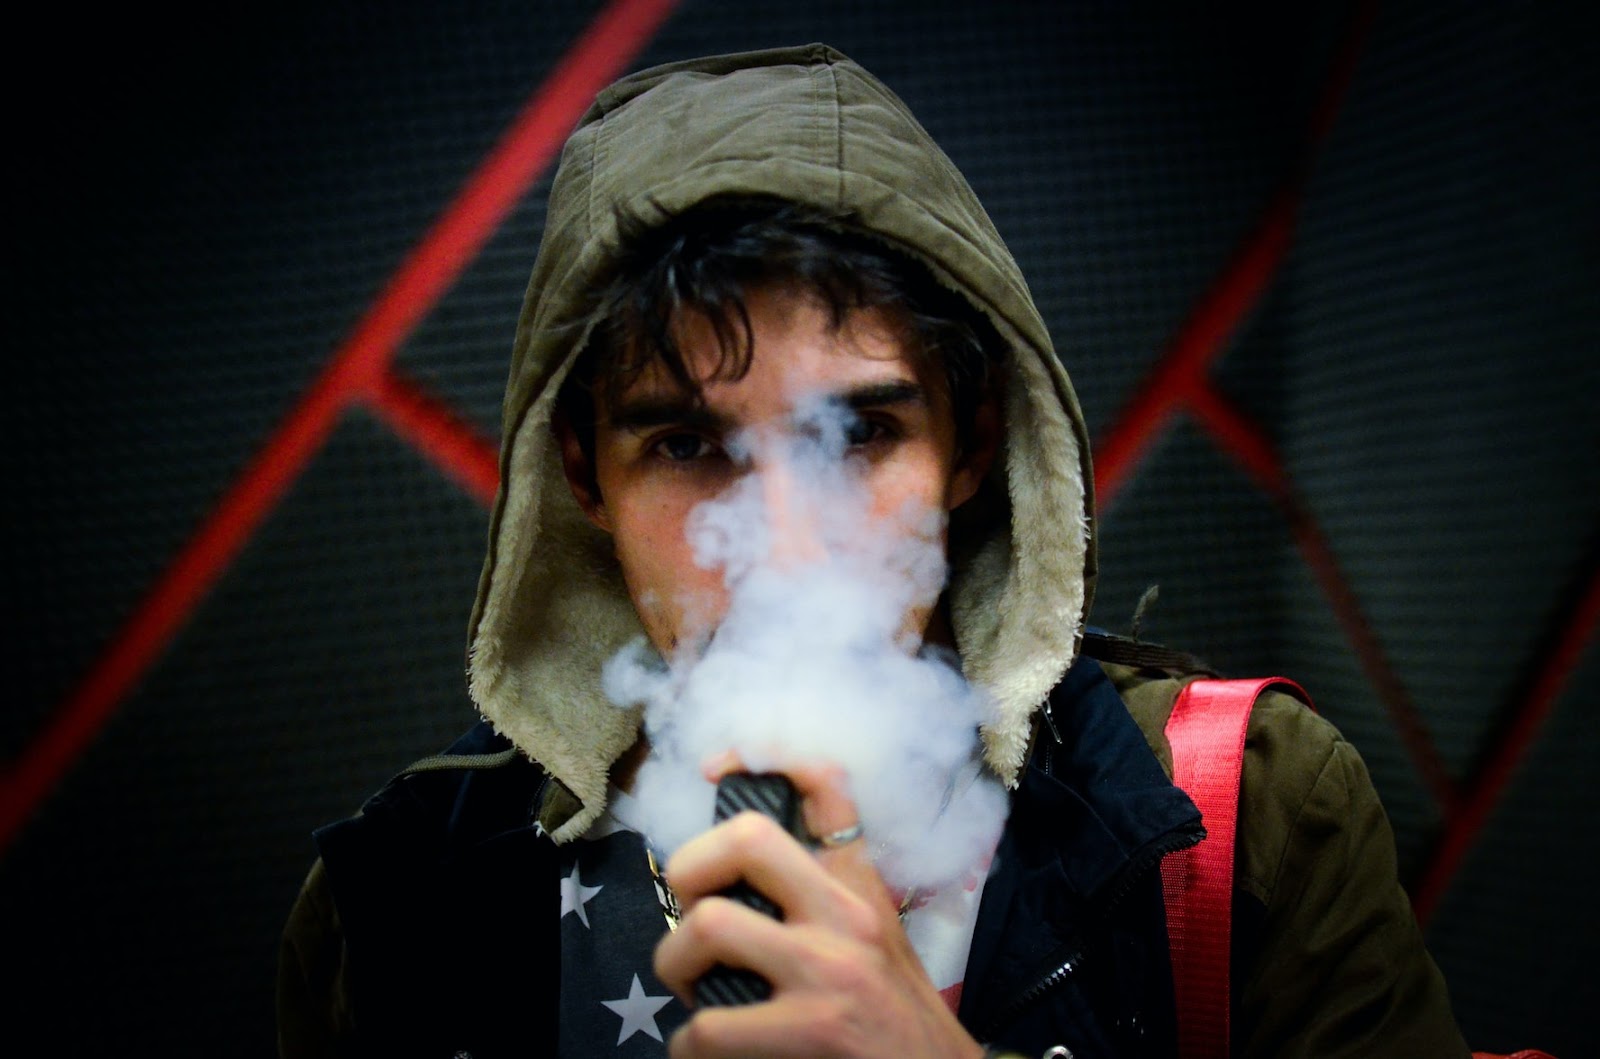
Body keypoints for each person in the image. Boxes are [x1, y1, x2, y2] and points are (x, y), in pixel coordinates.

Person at [277, 44, 1469, 1058]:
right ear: (583, 477)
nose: (785, 548)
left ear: (971, 445)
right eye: (687, 444)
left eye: (858, 435)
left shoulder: (1245, 820)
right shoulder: (399, 902)